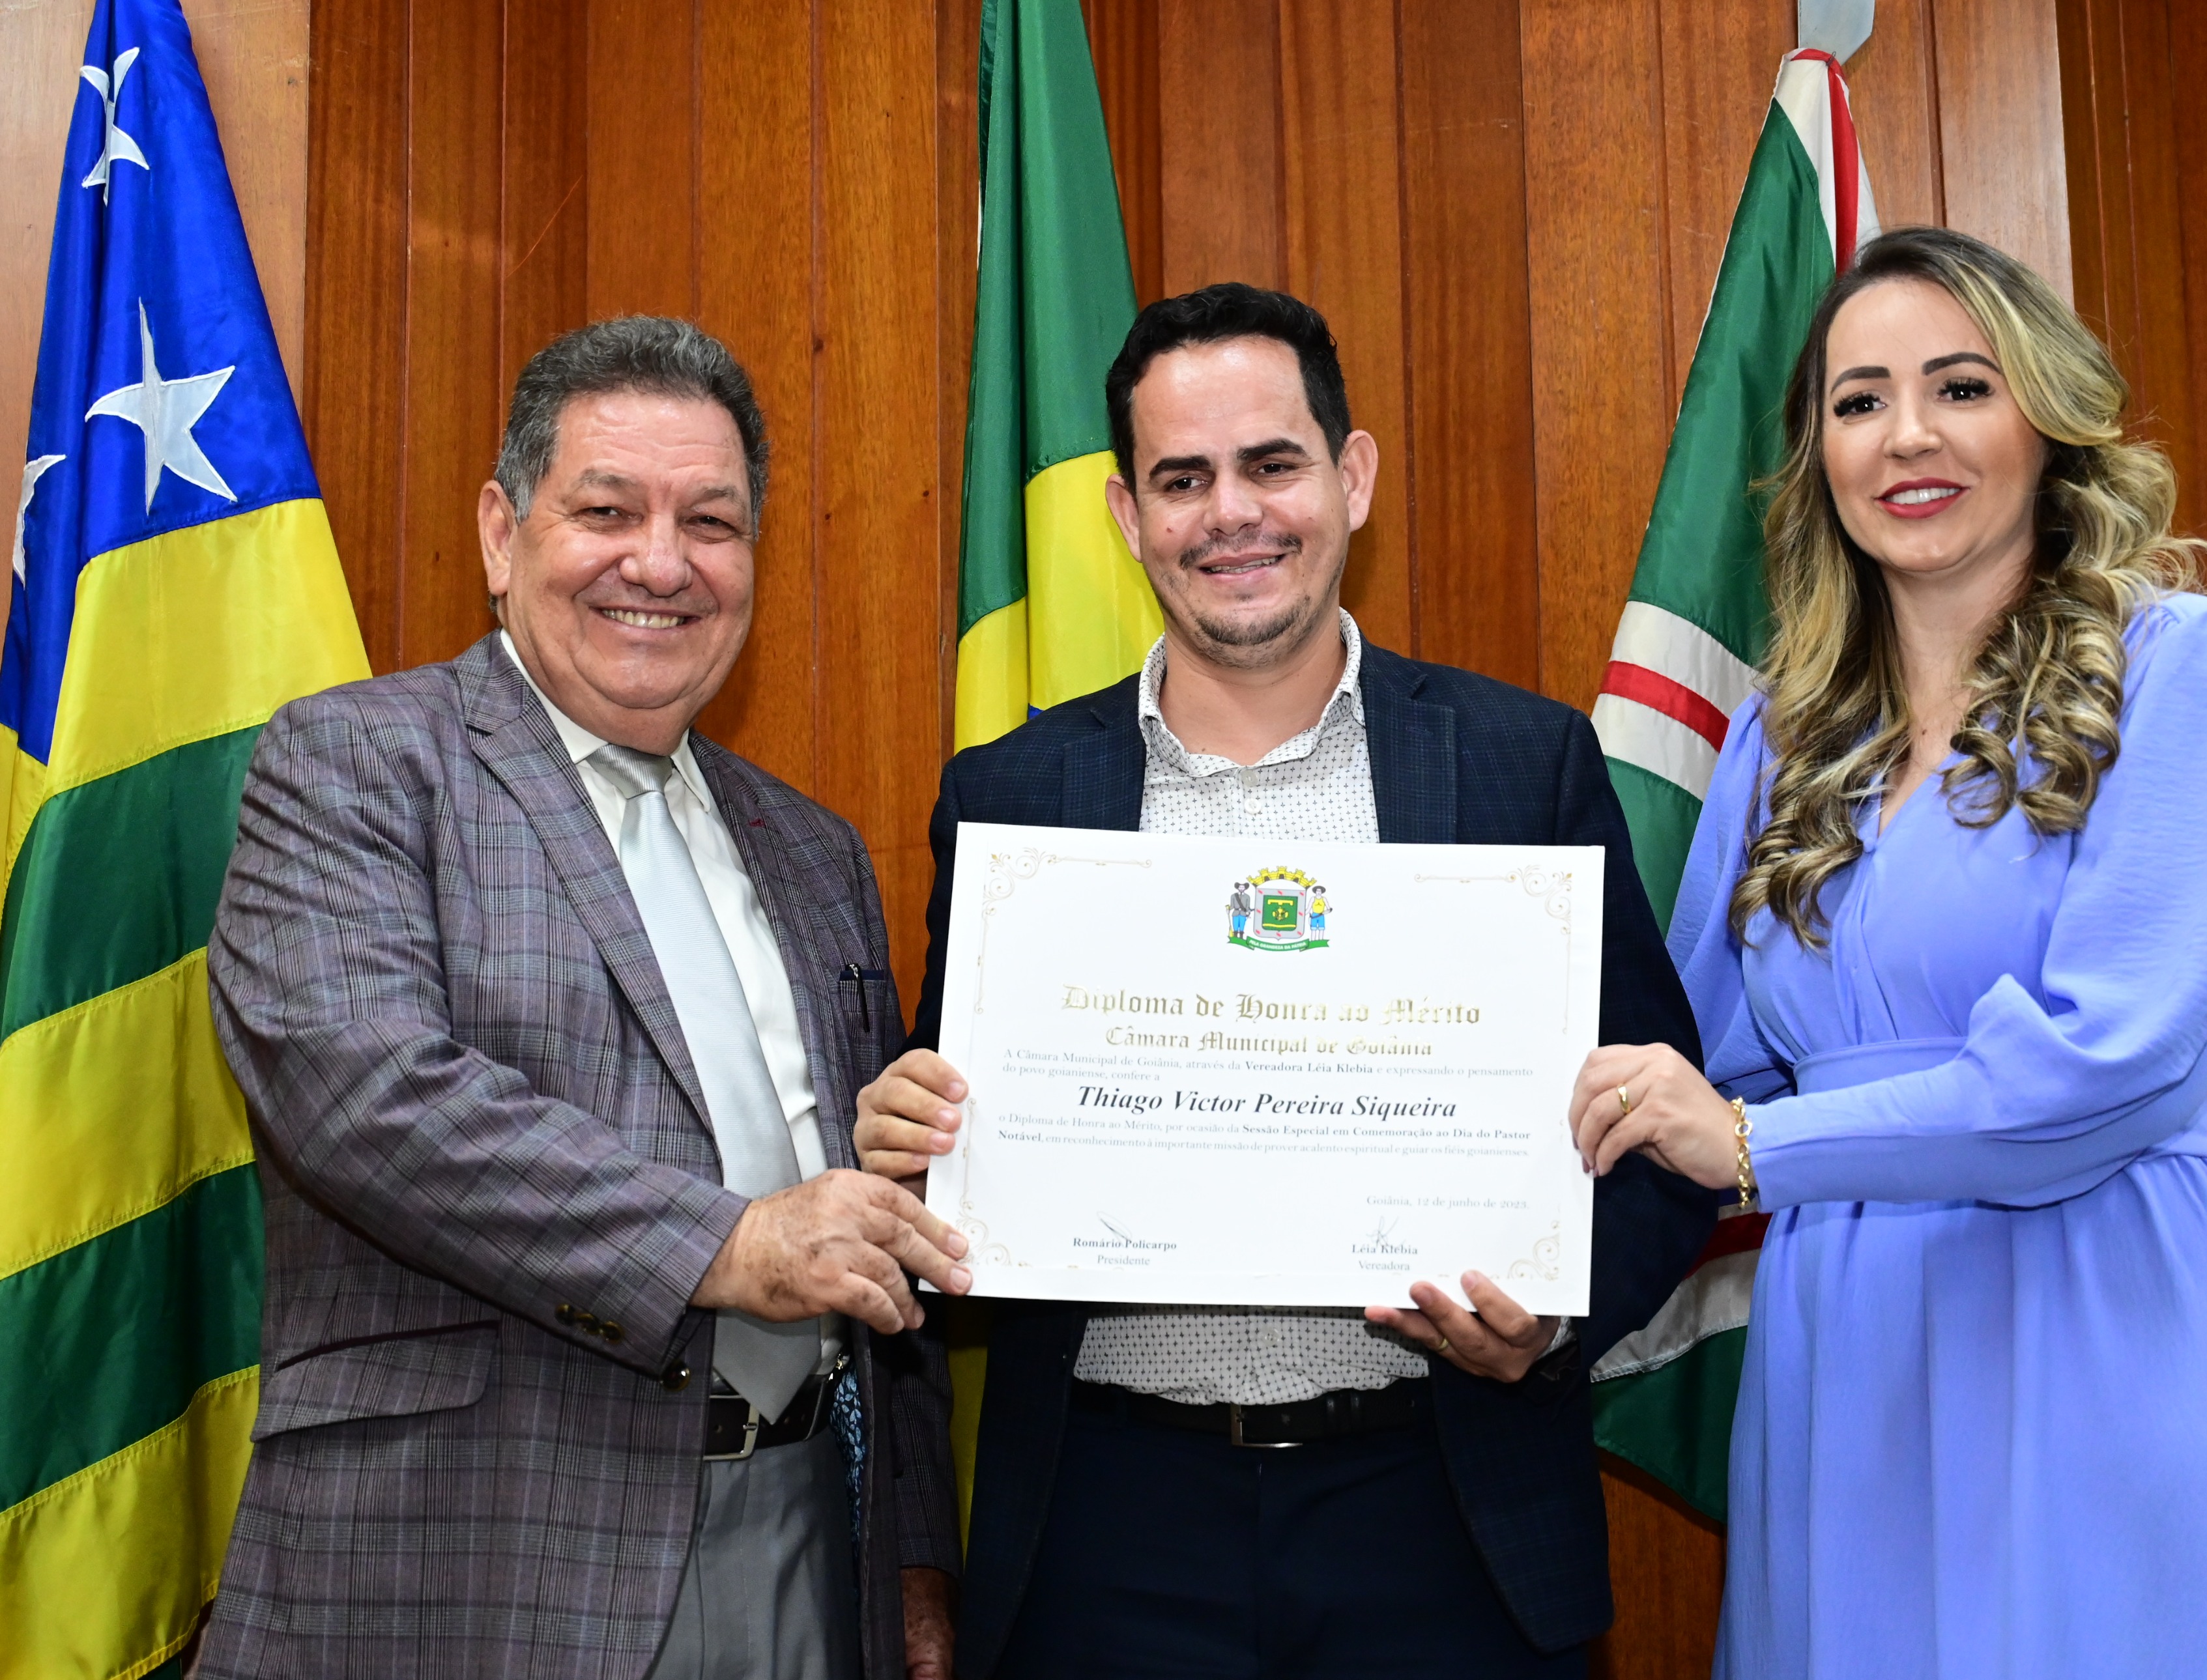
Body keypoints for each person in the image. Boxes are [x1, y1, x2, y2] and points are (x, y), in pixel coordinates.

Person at [852, 283, 1717, 1677]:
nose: (1232, 515)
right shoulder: (1016, 798)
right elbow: (958, 1158)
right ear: (1127, 515)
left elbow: (1666, 1135)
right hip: (1110, 1526)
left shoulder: (1521, 765)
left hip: (1441, 1511)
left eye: (1271, 464)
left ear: (1351, 477)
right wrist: (908, 1149)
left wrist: (1549, 1327)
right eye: (1182, 479)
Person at [1570, 227, 2207, 1677]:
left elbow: (2104, 1067)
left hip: (2096, 1317)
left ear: (2049, 420)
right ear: (1818, 460)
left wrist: (1753, 1149)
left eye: (1960, 387)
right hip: (1841, 1353)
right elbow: (1683, 1067)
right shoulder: (1780, 740)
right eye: (1858, 401)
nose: (1907, 435)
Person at [199, 317, 971, 1680]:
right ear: (502, 535)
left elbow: (863, 1225)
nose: (661, 564)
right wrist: (730, 1246)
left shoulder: (815, 850)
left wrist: (912, 1552)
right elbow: (369, 1100)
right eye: (607, 512)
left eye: (710, 523)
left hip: (807, 1538)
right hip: (481, 1554)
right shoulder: (356, 765)